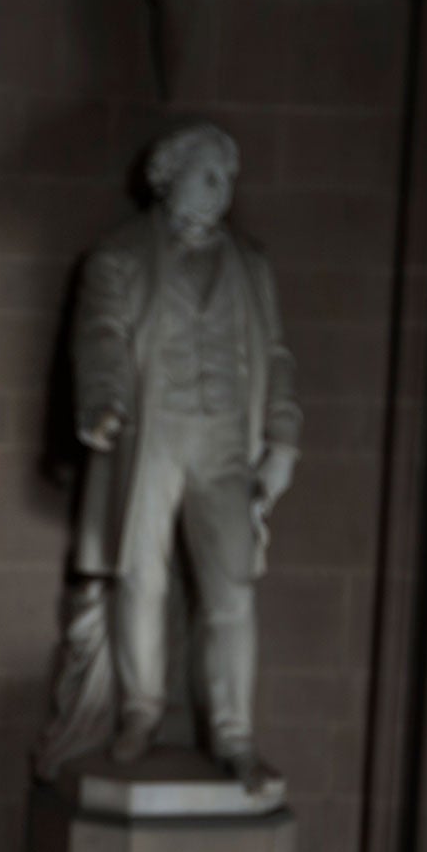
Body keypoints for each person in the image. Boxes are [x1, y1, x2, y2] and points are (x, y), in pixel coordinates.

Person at [40, 122, 301, 785]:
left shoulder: (252, 264)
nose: (222, 190)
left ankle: (234, 731)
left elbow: (275, 356)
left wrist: (283, 438)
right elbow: (100, 337)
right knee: (140, 577)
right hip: (150, 435)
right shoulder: (121, 256)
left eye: (228, 179)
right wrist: (104, 402)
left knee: (232, 587)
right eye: (209, 173)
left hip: (225, 443)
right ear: (170, 175)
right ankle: (140, 712)